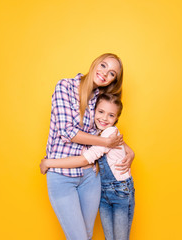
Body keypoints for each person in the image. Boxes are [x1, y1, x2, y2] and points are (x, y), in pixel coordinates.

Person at [44, 53, 134, 240]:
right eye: (103, 65)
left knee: (87, 235)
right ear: (95, 63)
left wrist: (130, 152)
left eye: (111, 74)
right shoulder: (65, 87)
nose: (104, 74)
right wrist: (105, 143)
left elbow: (107, 130)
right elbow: (67, 131)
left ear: (112, 81)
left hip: (90, 177)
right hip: (62, 176)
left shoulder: (99, 99)